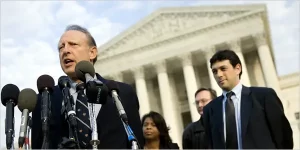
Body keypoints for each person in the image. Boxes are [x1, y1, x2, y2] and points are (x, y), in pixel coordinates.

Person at [31, 25, 144, 149]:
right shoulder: (45, 99)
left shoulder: (123, 93)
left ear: (92, 52)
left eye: (73, 44)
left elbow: (137, 142)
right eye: (61, 47)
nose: (65, 50)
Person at [202, 49, 293, 149]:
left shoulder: (264, 97)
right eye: (215, 71)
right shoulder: (209, 110)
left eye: (223, 69)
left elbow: (283, 137)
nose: (218, 75)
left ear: (237, 69)